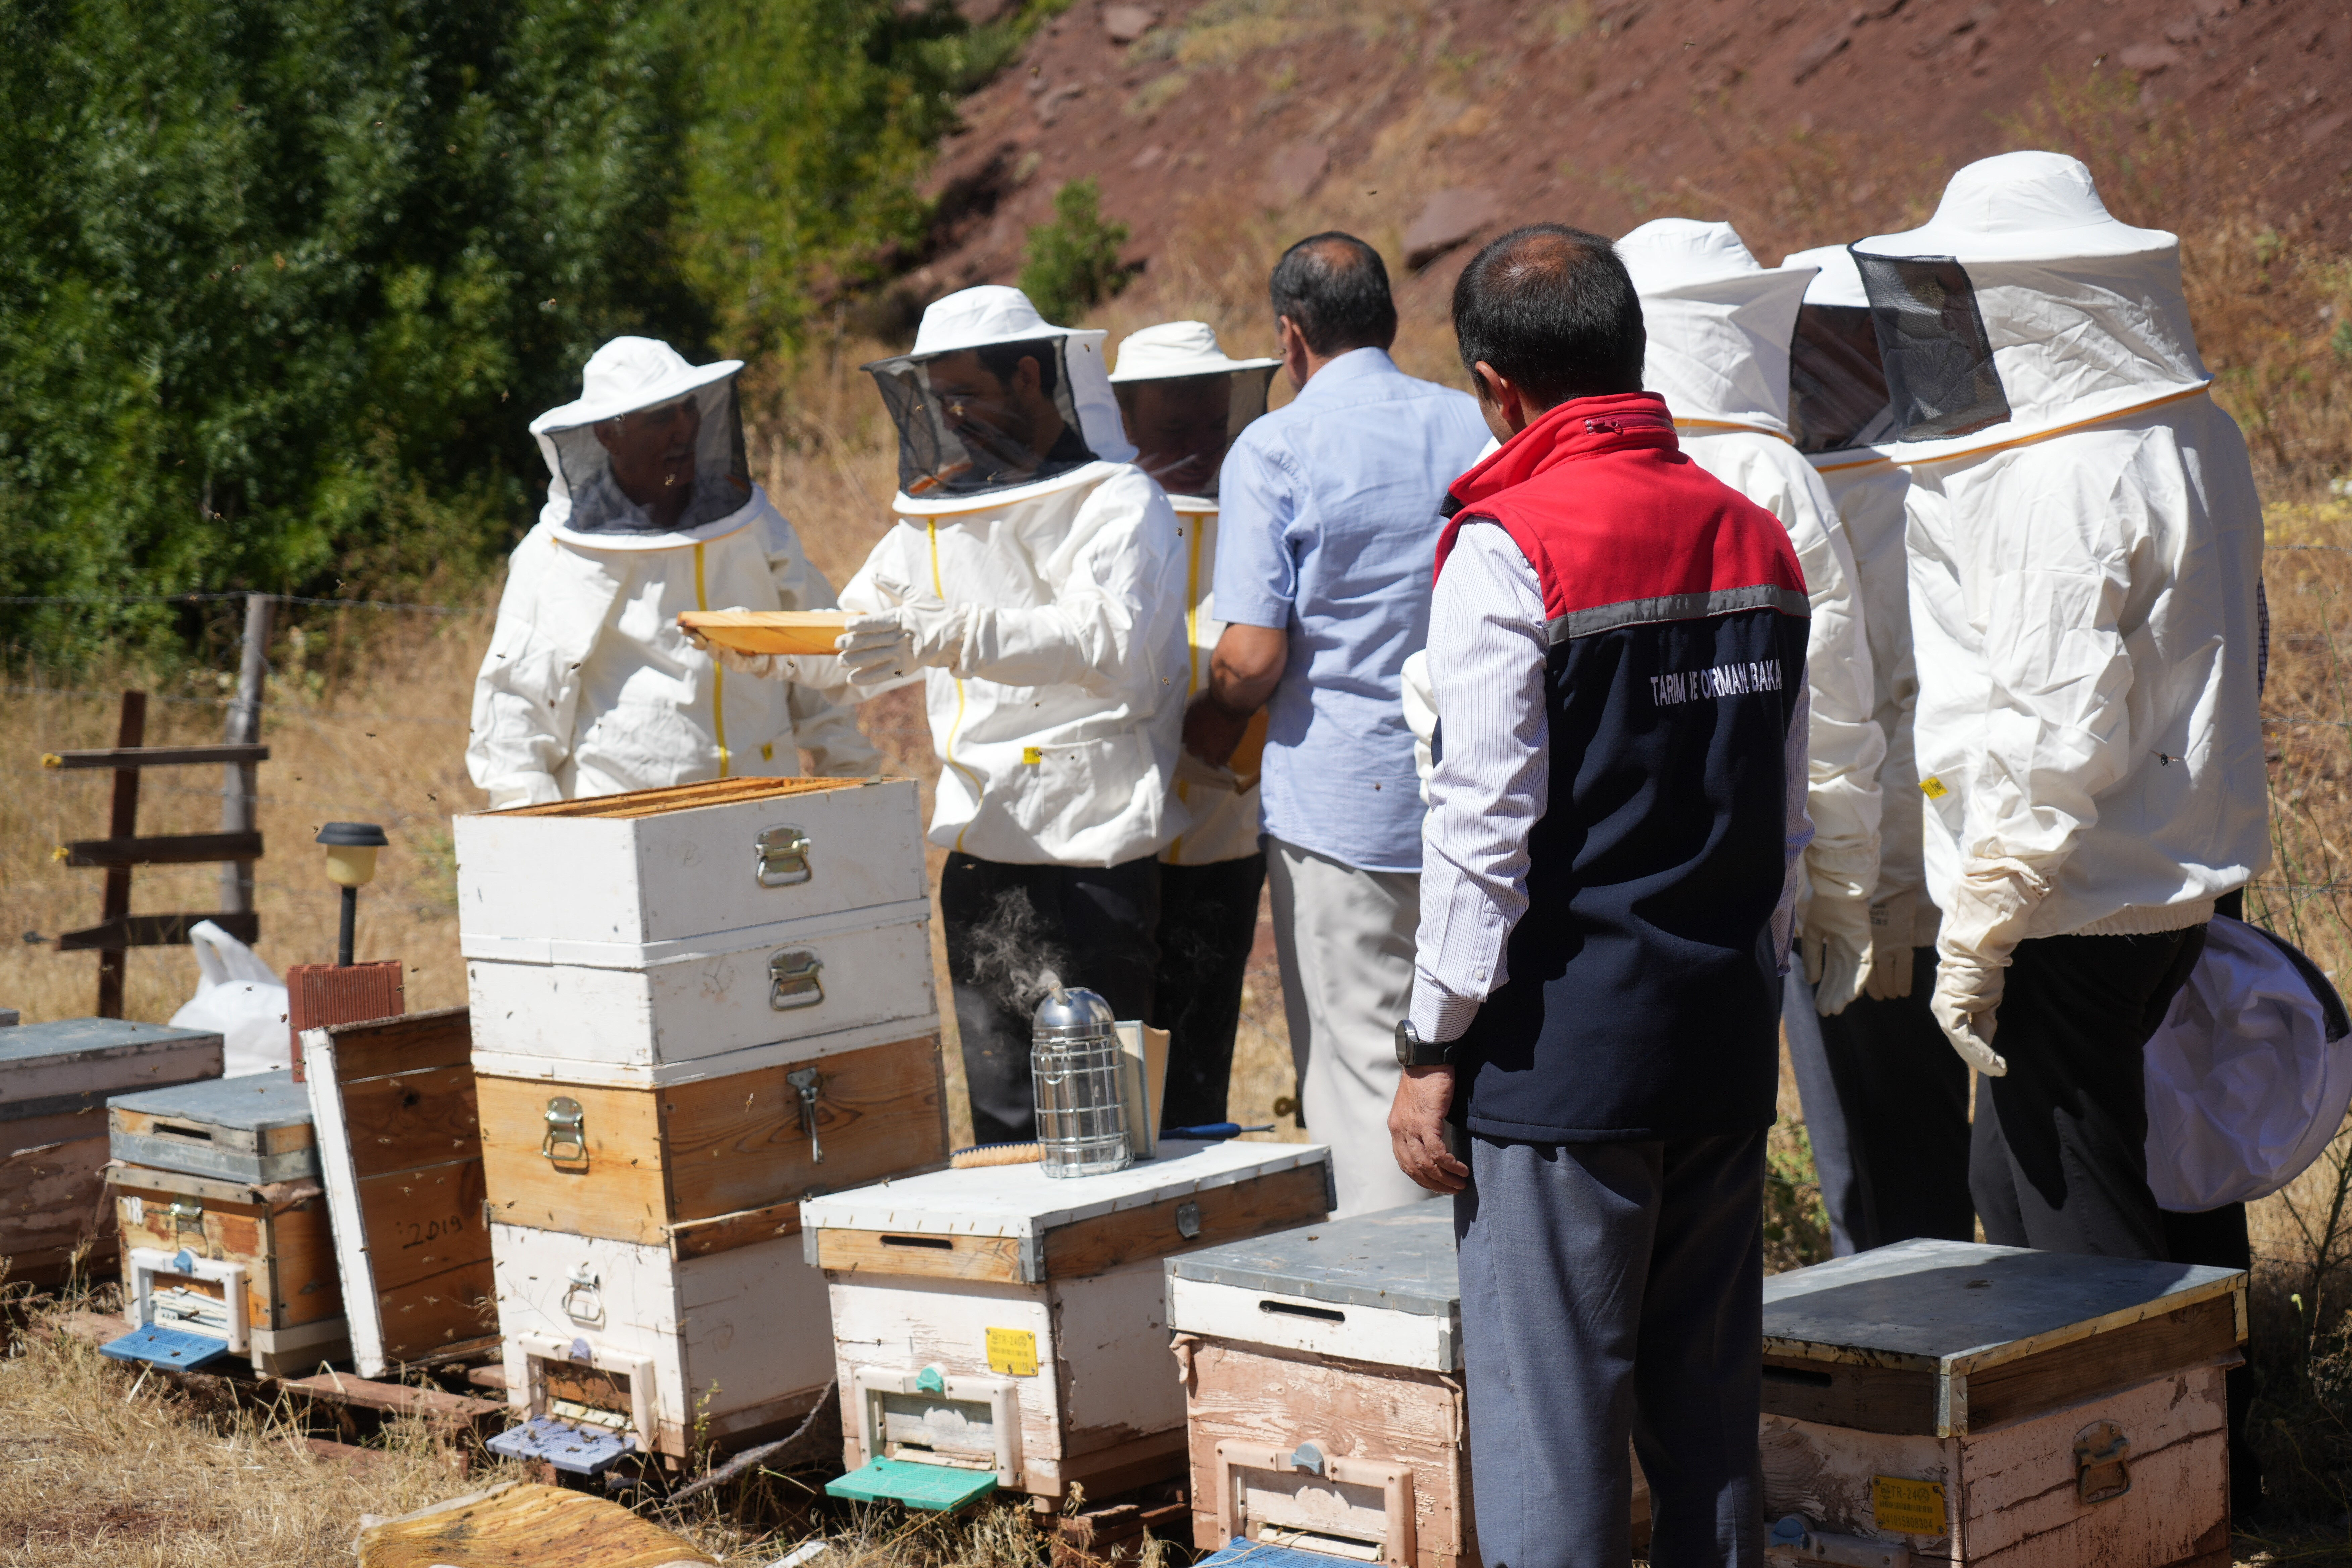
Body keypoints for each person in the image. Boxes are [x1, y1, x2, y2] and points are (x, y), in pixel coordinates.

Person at [1391, 224, 1809, 1567]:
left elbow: (1481, 829)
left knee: (1553, 1428)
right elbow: (1789, 820)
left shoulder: (1508, 546)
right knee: (1710, 1424)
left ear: (1497, 383)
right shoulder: (1757, 534)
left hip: (1563, 1062)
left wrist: (1430, 1043)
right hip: (1723, 1038)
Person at [1852, 151, 2269, 1260]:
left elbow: (2054, 728)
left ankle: (2134, 1432)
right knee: (2163, 1167)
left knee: (2055, 1193)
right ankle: (2215, 1422)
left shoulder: (2062, 475)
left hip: (2071, 897)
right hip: (2172, 878)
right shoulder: (2192, 434)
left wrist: (1981, 931)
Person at [816, 285, 1188, 1146]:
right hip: (984, 843)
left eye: (966, 394)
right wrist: (765, 647)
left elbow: (1114, 639)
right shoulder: (937, 511)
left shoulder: (1118, 501)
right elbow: (853, 626)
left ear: (1028, 377)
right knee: (1006, 1125)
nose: (950, 415)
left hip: (1097, 847)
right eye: (938, 399)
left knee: (1111, 1118)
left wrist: (958, 632)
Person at [1185, 232, 1489, 1216]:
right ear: (1390, 324)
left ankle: (1399, 1330)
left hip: (1342, 808)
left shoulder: (1275, 447)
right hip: (1479, 783)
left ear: (1290, 336)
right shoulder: (1469, 425)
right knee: (1469, 1048)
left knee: (1367, 1065)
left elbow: (1254, 658)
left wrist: (1207, 714)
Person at [1615, 220, 1882, 1030]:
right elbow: (1831, 704)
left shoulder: (1579, 469)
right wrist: (1843, 890)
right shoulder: (1778, 477)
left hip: (1598, 862)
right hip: (1746, 863)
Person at [1773, 242, 1974, 1254]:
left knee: (1926, 1139)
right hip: (1840, 871)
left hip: (1925, 875)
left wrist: (1883, 898)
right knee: (1862, 1153)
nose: (1826, 369)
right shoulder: (1791, 482)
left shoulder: (1936, 484)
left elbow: (1910, 707)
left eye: (1849, 345)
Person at [468, 336, 876, 808]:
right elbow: (518, 713)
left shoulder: (752, 526)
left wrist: (852, 779)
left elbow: (812, 651)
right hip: (624, 820)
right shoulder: (559, 556)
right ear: (608, 434)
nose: (684, 430)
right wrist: (534, 841)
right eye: (661, 418)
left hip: (764, 811)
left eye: (688, 410)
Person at [1108, 321, 1282, 1131]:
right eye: (1176, 427)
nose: (1203, 444)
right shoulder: (1102, 515)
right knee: (1113, 1068)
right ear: (1125, 421)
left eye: (1217, 423)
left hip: (1221, 828)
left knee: (1200, 1055)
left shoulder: (1262, 508)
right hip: (1113, 833)